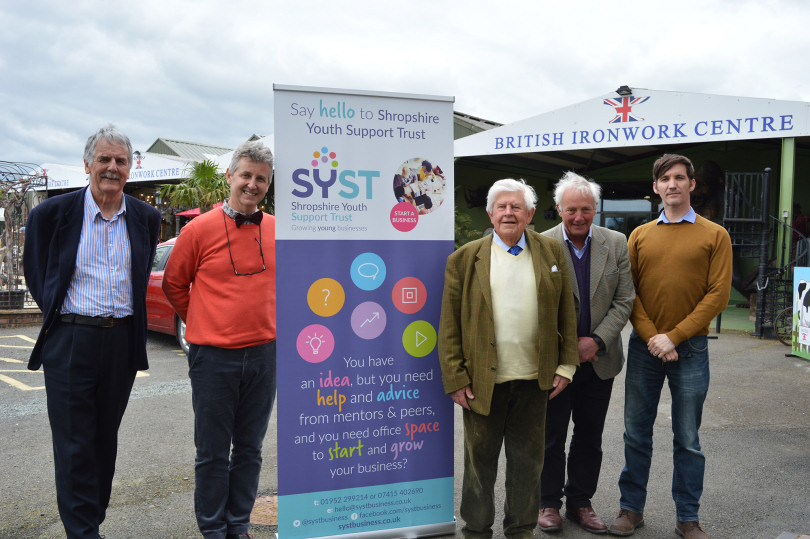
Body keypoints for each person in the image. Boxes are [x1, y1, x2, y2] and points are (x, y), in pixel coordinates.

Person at [23, 125, 161, 539]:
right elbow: (37, 275)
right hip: (69, 340)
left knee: (104, 440)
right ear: (87, 164)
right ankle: (83, 532)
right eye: (104, 159)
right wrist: (64, 319)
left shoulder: (146, 217)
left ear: (130, 168)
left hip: (121, 342)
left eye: (121, 161)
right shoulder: (51, 214)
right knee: (74, 445)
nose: (112, 168)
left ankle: (90, 520)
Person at [438, 178, 579, 538]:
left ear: (530, 214)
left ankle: (520, 530)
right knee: (479, 465)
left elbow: (567, 313)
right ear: (490, 213)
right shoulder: (465, 258)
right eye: (501, 206)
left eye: (516, 206)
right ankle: (477, 530)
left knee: (528, 465)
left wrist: (566, 365)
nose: (508, 212)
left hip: (535, 381)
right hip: (481, 383)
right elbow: (450, 324)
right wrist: (455, 378)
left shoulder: (551, 252)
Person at [608, 154, 732, 539]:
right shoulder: (640, 236)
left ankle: (687, 518)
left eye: (680, 177)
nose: (673, 184)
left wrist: (673, 337)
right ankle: (631, 511)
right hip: (646, 349)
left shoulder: (715, 235)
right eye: (666, 178)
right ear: (656, 187)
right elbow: (630, 295)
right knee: (635, 433)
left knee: (689, 440)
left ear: (691, 185)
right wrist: (653, 338)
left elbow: (718, 296)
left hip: (690, 349)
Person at [162, 140, 276, 539]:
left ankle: (238, 525)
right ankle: (212, 529)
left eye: (261, 178)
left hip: (264, 356)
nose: (252, 184)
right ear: (230, 177)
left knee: (250, 449)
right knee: (211, 453)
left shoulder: (278, 229)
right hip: (213, 358)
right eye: (245, 175)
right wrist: (202, 320)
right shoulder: (197, 230)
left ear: (268, 184)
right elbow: (174, 284)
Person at [538, 172, 635, 534]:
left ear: (596, 208)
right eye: (571, 209)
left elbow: (624, 299)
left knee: (589, 436)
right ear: (559, 209)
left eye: (586, 209)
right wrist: (569, 349)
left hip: (600, 359)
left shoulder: (616, 242)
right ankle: (547, 502)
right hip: (555, 363)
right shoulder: (541, 243)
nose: (579, 217)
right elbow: (537, 305)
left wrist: (596, 340)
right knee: (550, 436)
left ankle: (580, 502)